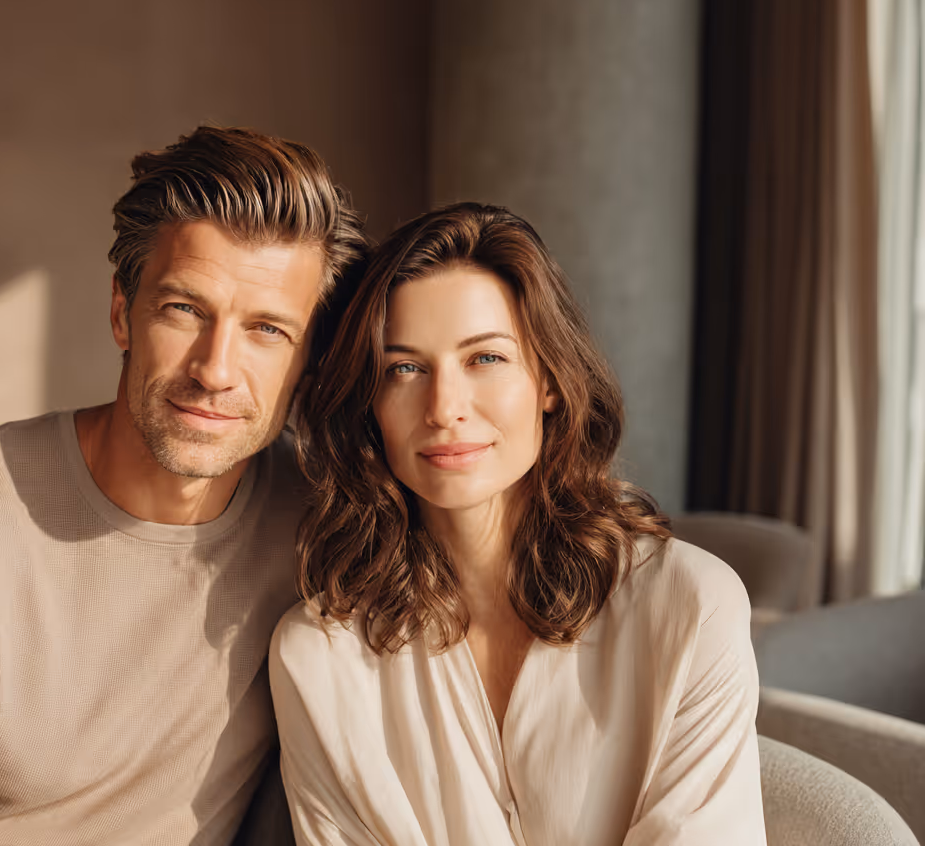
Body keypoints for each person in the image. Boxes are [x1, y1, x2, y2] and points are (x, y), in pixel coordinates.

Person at [0, 125, 368, 846]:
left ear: (309, 360)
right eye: (184, 310)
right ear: (123, 312)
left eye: (267, 330)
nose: (215, 370)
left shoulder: (324, 521)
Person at [271, 202, 766, 845]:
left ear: (550, 381)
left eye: (485, 358)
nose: (444, 408)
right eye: (404, 368)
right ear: (370, 404)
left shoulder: (691, 606)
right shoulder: (320, 657)